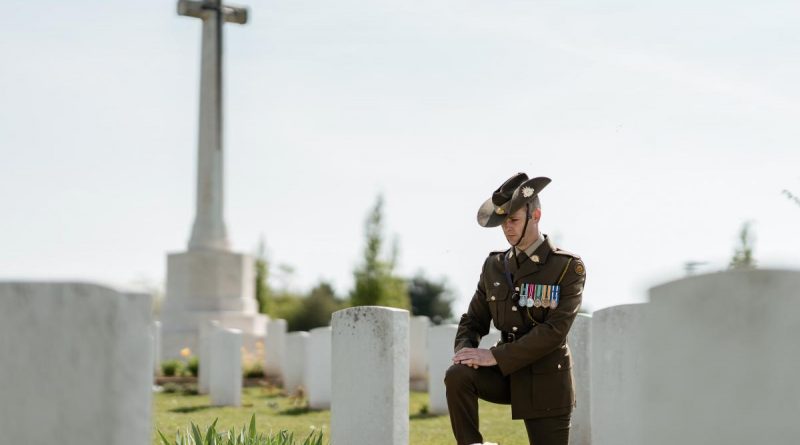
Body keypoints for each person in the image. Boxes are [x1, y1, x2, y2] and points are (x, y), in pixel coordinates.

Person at [445, 173, 586, 445]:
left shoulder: (566, 267)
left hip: (546, 381)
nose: (507, 228)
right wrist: (465, 352)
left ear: (536, 216)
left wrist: (495, 356)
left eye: (513, 220)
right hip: (506, 376)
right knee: (458, 375)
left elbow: (554, 331)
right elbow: (473, 320)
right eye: (502, 223)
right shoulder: (494, 266)